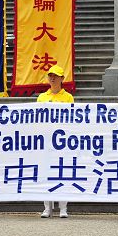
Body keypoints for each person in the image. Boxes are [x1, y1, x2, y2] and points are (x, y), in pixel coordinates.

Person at [37, 65, 73, 218]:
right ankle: (47, 207)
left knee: (62, 173)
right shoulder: (42, 97)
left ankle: (63, 208)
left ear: (62, 79)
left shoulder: (68, 97)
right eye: (50, 76)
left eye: (56, 76)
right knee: (46, 174)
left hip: (62, 140)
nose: (52, 78)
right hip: (46, 140)